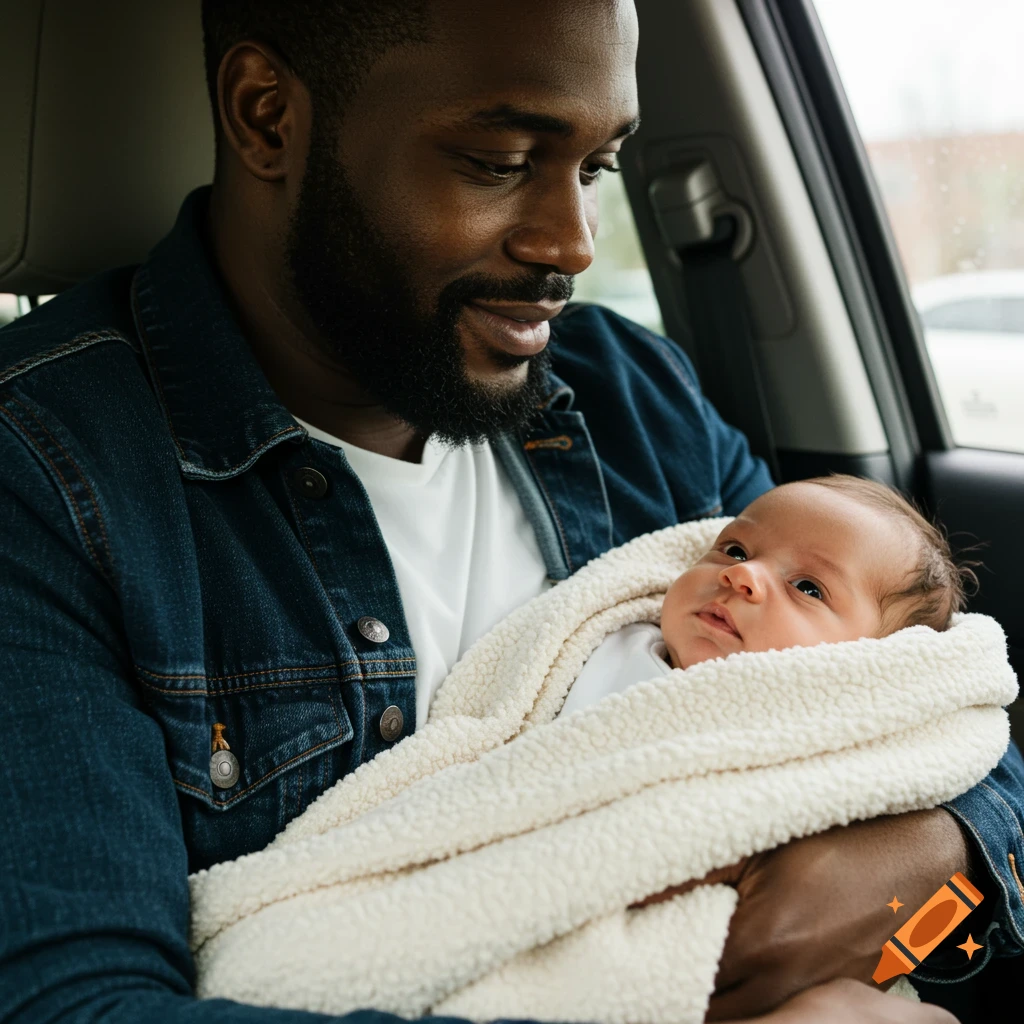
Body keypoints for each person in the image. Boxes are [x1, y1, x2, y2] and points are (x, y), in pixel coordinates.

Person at [0, 2, 1018, 1023]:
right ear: (267, 116)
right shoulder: (47, 479)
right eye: (497, 162)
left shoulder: (631, 395)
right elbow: (78, 1005)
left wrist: (927, 857)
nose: (571, 244)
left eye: (594, 170)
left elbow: (911, 693)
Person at [561, 474, 974, 716]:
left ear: (868, 661)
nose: (741, 574)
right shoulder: (600, 646)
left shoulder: (815, 730)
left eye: (807, 587)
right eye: (735, 550)